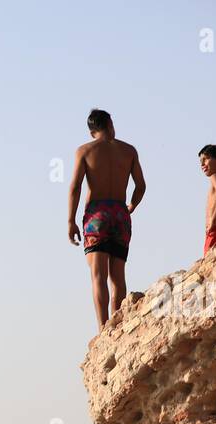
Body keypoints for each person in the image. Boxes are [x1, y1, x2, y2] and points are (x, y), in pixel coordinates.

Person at [67, 108, 146, 332]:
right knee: (118, 276)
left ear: (92, 131)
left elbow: (75, 187)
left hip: (97, 215)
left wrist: (71, 220)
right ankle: (119, 324)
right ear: (110, 124)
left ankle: (103, 329)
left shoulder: (84, 151)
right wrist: (131, 205)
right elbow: (141, 186)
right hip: (120, 213)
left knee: (98, 275)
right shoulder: (129, 150)